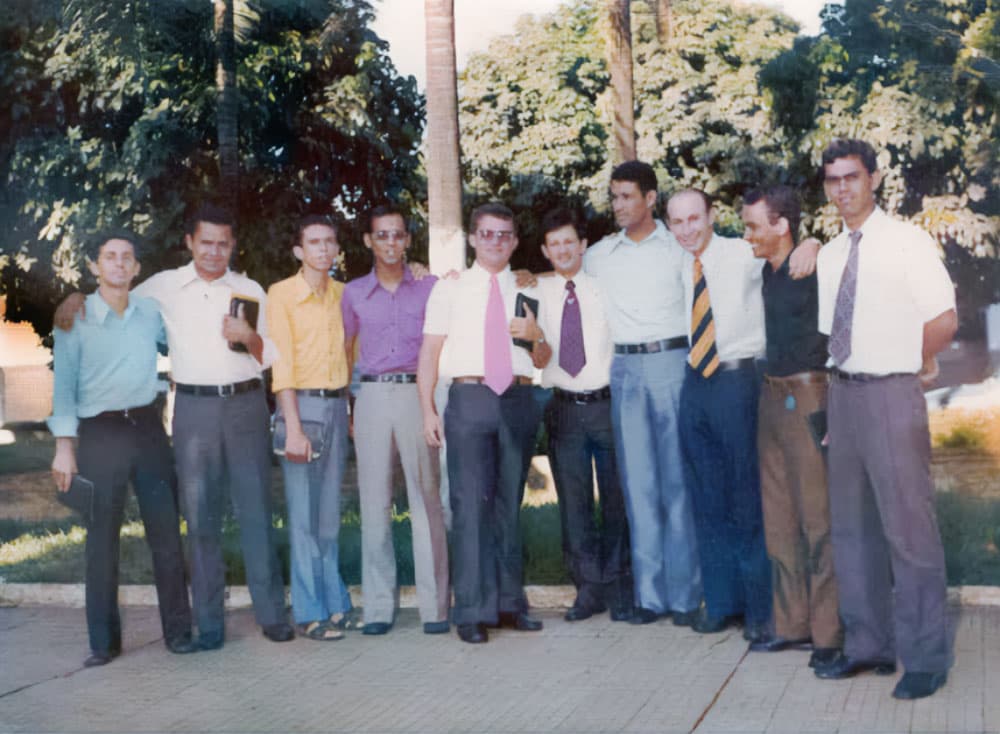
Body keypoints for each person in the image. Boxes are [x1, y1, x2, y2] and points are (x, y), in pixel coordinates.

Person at [813, 139, 956, 700]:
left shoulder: (906, 242)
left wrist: (908, 364)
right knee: (850, 528)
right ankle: (868, 644)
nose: (842, 188)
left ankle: (925, 657)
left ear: (872, 178)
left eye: (851, 177)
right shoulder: (828, 254)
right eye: (832, 180)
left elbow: (943, 319)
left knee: (909, 530)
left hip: (892, 395)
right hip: (844, 396)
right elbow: (834, 339)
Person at [134, 204, 292, 648]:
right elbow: (116, 296)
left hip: (245, 406)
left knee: (256, 512)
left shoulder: (248, 288)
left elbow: (269, 357)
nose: (214, 251)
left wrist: (250, 338)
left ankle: (272, 615)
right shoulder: (164, 287)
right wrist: (74, 300)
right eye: (206, 242)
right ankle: (209, 623)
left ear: (232, 245)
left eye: (223, 243)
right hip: (193, 409)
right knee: (201, 519)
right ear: (189, 242)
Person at [48, 233, 196, 667]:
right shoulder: (74, 317)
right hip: (99, 434)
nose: (117, 264)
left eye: (126, 258)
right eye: (108, 257)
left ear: (136, 268)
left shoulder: (151, 313)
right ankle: (103, 643)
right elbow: (64, 386)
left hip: (147, 429)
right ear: (95, 266)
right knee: (101, 541)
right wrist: (64, 447)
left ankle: (179, 632)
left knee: (166, 533)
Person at [417, 202, 545, 644]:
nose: (496, 242)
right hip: (469, 397)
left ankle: (510, 604)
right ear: (473, 238)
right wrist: (428, 411)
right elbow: (429, 354)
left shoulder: (529, 287)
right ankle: (471, 610)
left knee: (508, 505)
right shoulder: (449, 289)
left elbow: (543, 358)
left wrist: (536, 337)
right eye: (487, 234)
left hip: (517, 396)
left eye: (505, 234)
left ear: (514, 240)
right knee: (470, 505)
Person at [582, 161, 701, 625]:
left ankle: (687, 598)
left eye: (627, 196)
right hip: (625, 369)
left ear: (651, 199)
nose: (617, 205)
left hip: (673, 363)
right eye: (613, 197)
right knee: (639, 485)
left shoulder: (678, 249)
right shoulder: (598, 256)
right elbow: (562, 278)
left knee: (677, 483)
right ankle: (651, 598)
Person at [741, 185, 841, 667]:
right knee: (779, 519)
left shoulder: (816, 265)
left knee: (819, 520)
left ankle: (829, 635)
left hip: (810, 395)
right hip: (771, 394)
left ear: (783, 225)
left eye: (754, 226)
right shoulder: (768, 269)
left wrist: (817, 242)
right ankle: (791, 624)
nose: (748, 236)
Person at [342, 204, 450, 636]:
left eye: (398, 235)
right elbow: (346, 348)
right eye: (381, 235)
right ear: (369, 241)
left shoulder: (429, 287)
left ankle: (435, 609)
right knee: (374, 504)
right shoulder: (352, 293)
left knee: (427, 501)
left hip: (415, 394)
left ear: (407, 240)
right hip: (369, 395)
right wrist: (351, 405)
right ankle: (379, 609)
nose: (390, 243)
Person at [670, 188, 773, 641]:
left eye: (695, 219)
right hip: (695, 381)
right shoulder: (677, 263)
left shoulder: (742, 252)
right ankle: (721, 602)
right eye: (678, 222)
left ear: (712, 216)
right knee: (706, 498)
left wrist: (808, 243)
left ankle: (759, 610)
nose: (688, 229)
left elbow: (786, 256)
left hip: (737, 381)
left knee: (745, 496)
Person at [532, 207, 630, 621]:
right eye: (555, 244)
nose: (563, 250)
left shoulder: (604, 287)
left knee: (615, 500)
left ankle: (620, 588)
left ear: (583, 246)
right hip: (565, 408)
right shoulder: (534, 290)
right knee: (573, 504)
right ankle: (587, 590)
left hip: (606, 404)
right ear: (545, 251)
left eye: (569, 241)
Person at [265, 214, 354, 641]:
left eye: (329, 242)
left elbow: (351, 354)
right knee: (302, 516)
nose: (322, 249)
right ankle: (310, 611)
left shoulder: (344, 294)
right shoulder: (280, 295)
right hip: (300, 407)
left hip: (337, 407)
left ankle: (336, 601)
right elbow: (280, 365)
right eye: (313, 243)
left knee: (328, 517)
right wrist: (294, 428)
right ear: (299, 251)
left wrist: (350, 411)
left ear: (336, 249)